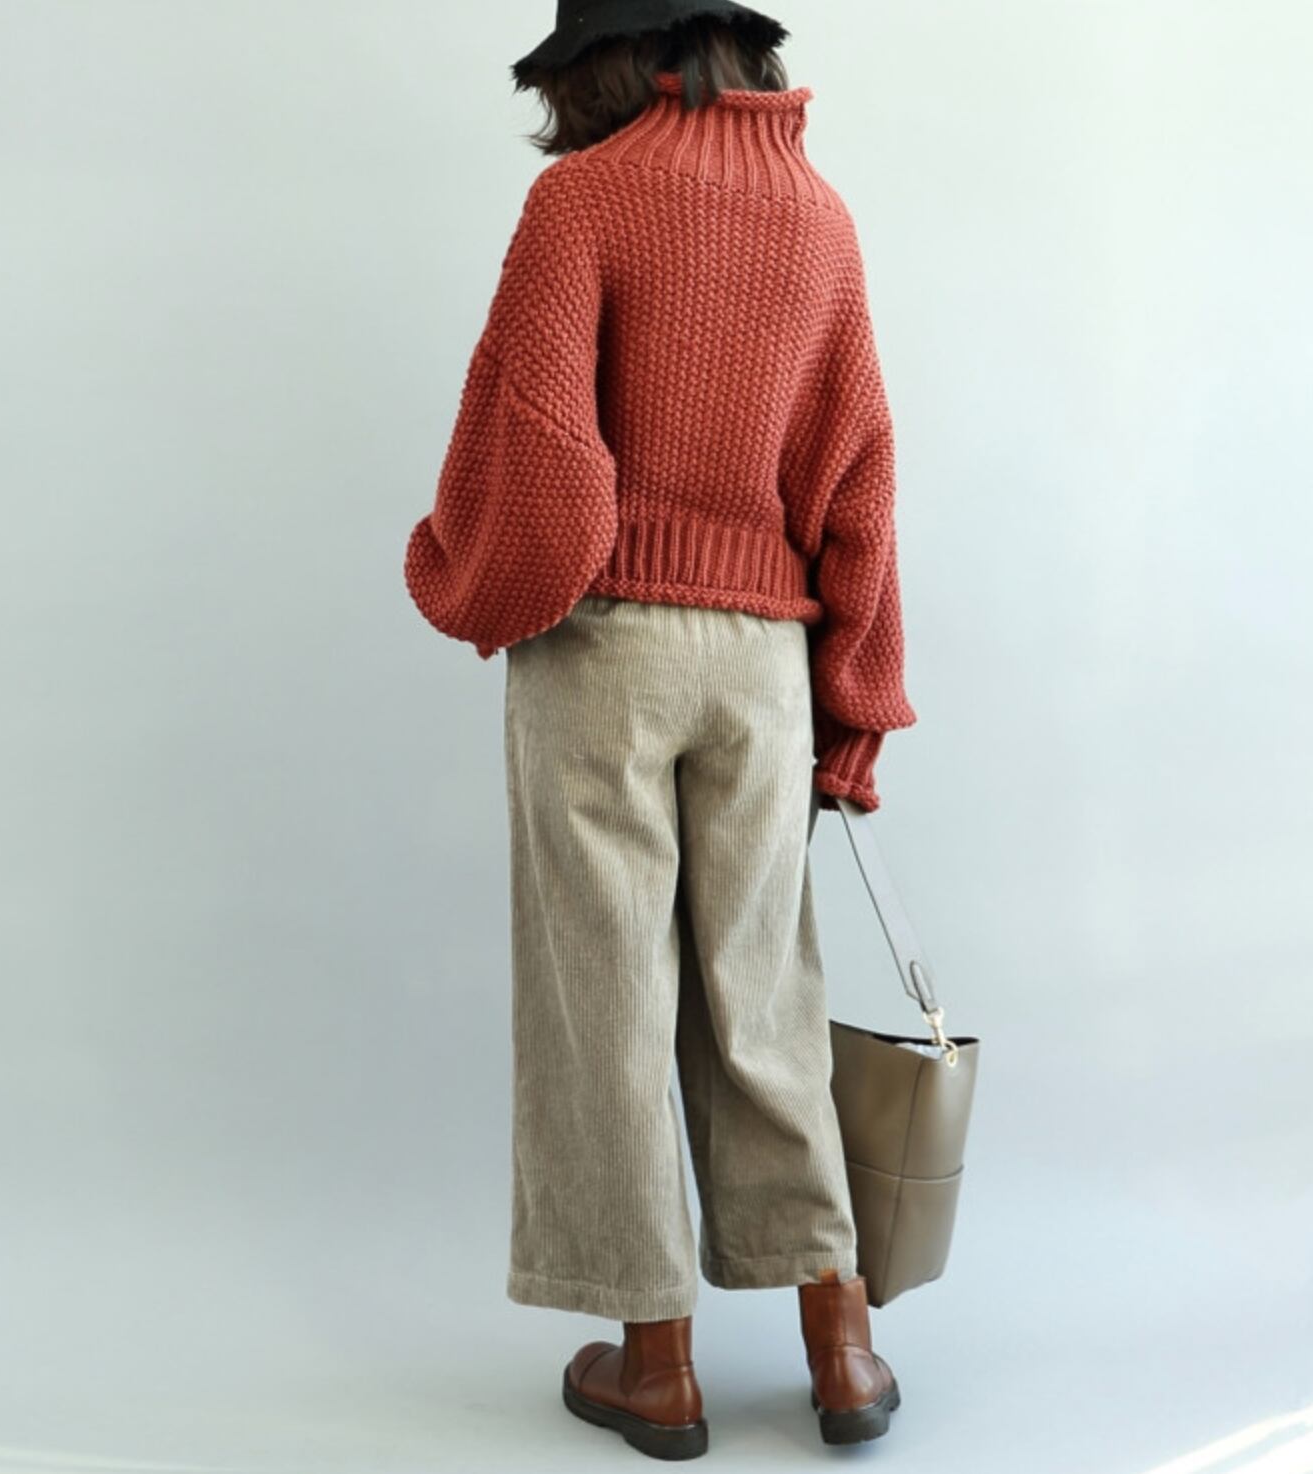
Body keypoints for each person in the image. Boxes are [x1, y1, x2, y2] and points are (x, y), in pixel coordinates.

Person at [402, 1, 916, 1458]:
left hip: (605, 648)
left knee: (606, 993)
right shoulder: (820, 219)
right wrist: (855, 700)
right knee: (765, 990)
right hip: (763, 661)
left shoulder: (581, 203)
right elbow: (860, 478)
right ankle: (841, 1345)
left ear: (600, 62)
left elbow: (546, 471)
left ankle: (657, 1365)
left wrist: (460, 575)